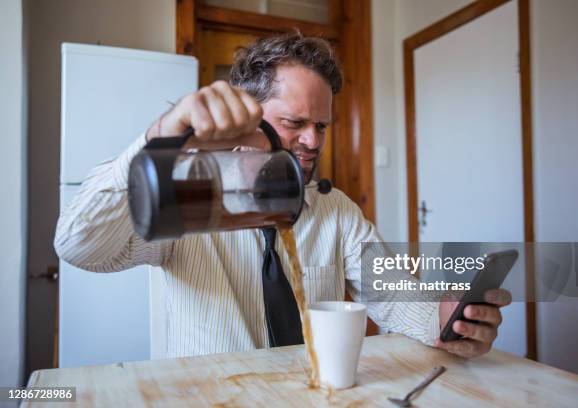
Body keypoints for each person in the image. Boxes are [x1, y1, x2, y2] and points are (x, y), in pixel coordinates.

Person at [54, 32, 511, 359]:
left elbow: (392, 296)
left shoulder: (338, 212)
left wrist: (446, 320)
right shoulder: (187, 204)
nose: (313, 141)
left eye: (322, 126)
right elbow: (78, 246)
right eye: (295, 124)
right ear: (246, 117)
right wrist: (158, 142)